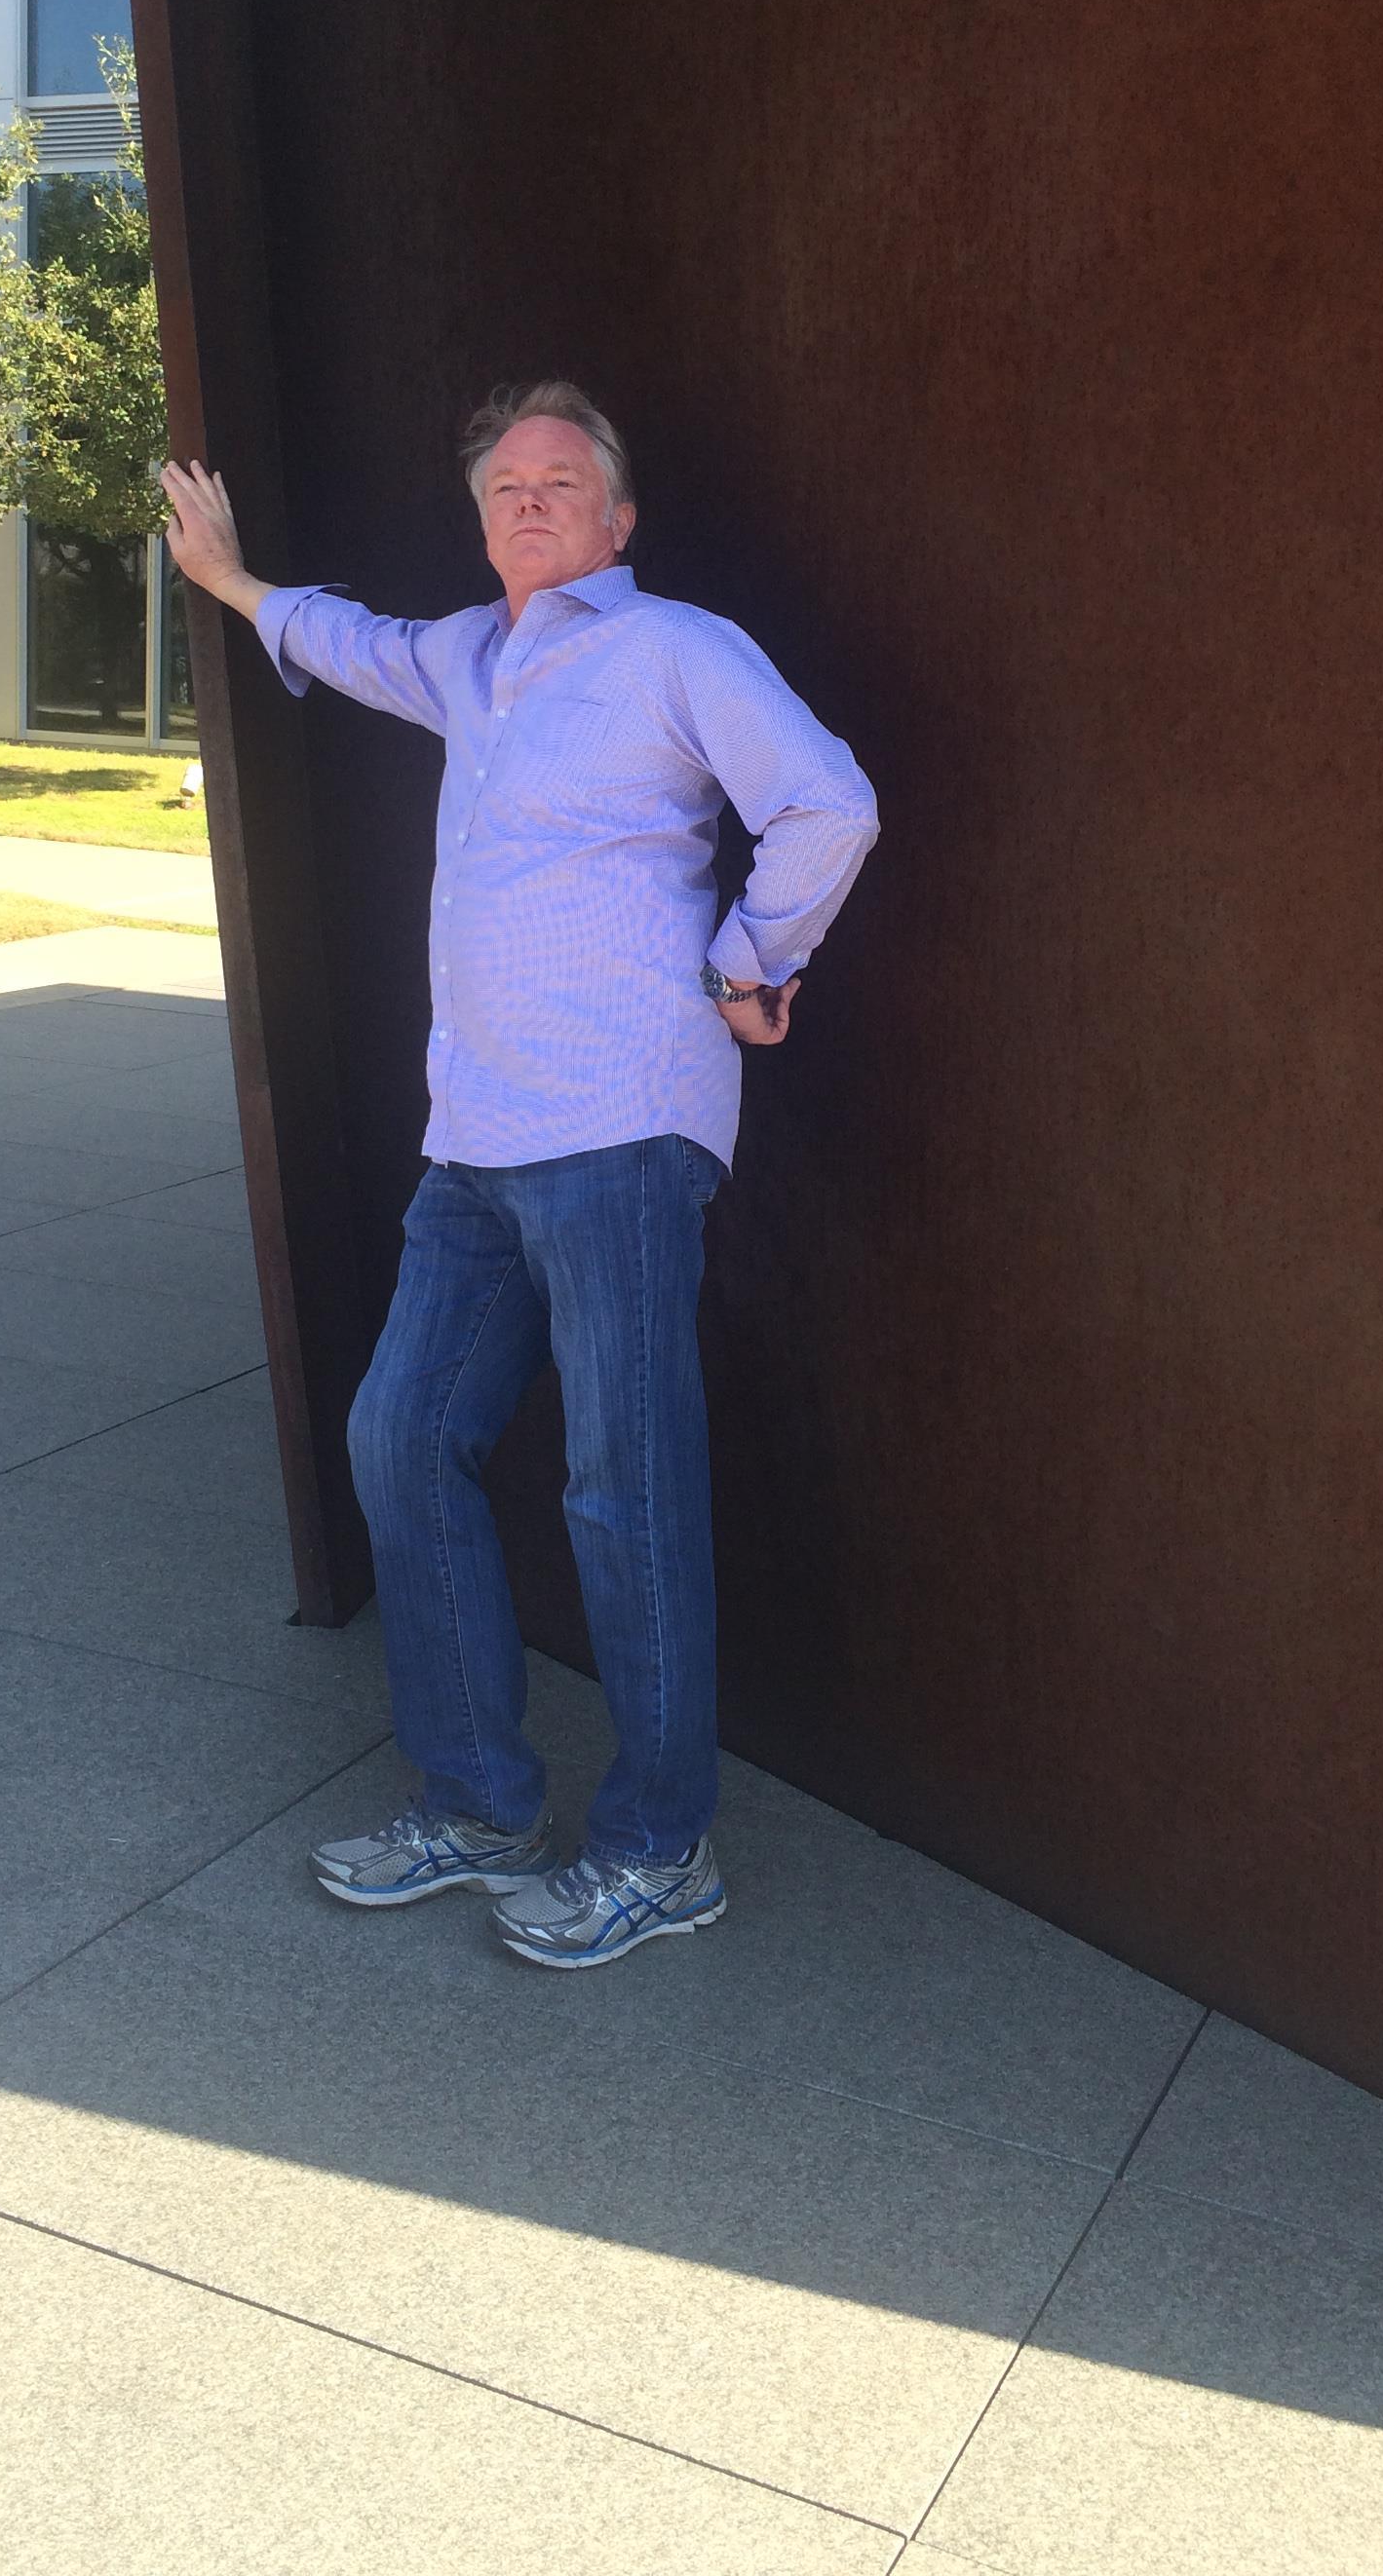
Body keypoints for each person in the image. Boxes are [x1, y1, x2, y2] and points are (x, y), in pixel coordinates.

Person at [162, 381, 877, 1970]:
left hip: (618, 1124)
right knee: (402, 1440)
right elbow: (346, 639)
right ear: (482, 525)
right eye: (504, 485)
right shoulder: (467, 661)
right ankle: (482, 1808)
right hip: (473, 1136)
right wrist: (225, 579)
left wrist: (752, 957)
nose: (531, 497)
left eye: (563, 480)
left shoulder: (675, 648)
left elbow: (829, 802)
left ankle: (661, 1850)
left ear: (618, 520)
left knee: (624, 1489)